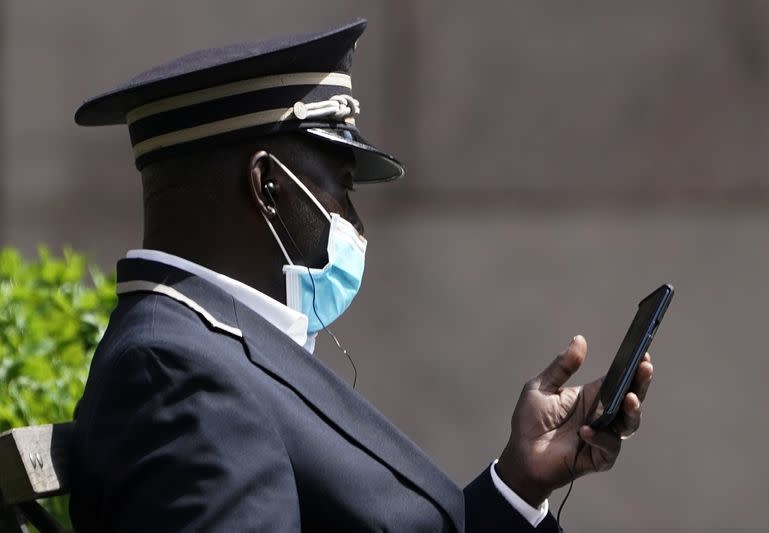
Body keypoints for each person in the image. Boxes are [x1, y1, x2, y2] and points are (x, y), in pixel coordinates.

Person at [68, 19, 653, 532]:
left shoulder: (213, 346)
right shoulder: (176, 372)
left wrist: (521, 479)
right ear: (268, 188)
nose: (354, 221)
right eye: (340, 188)